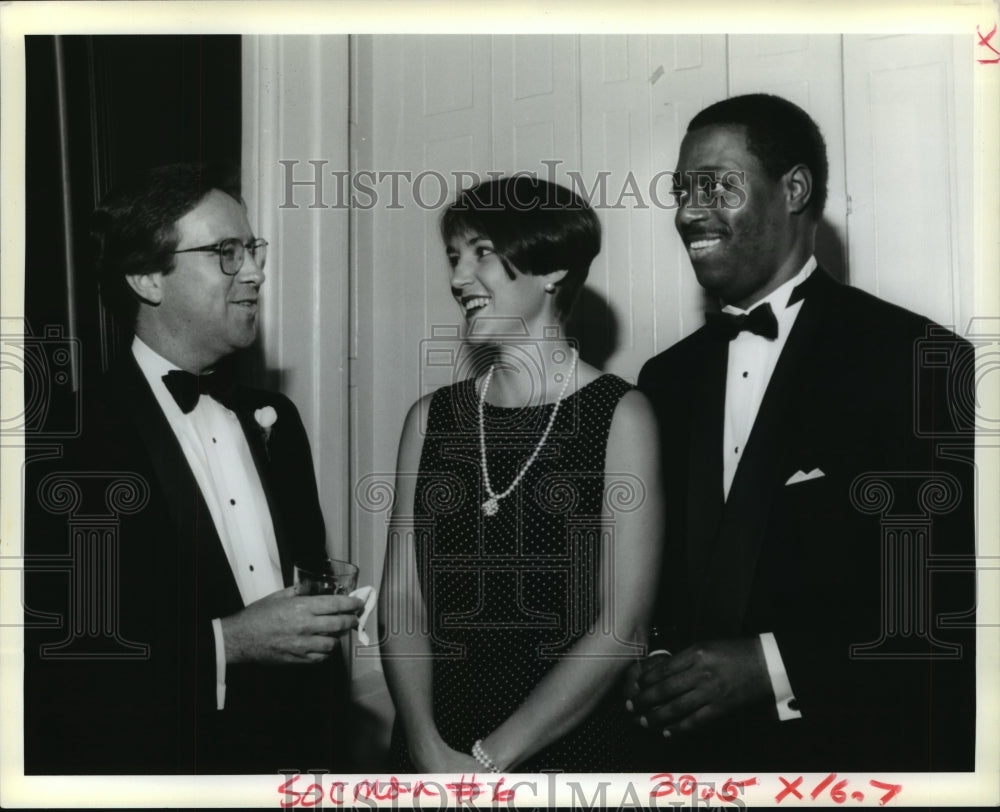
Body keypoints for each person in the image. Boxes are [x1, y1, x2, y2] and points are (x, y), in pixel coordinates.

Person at [629, 93, 976, 772]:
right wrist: (661, 662)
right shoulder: (663, 379)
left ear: (793, 190)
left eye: (716, 186)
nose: (688, 211)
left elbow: (947, 597)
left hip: (850, 756)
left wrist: (774, 666)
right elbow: (664, 575)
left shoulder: (918, 359)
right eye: (681, 190)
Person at [24, 163, 363, 774]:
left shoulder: (276, 419)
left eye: (252, 249)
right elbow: (58, 659)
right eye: (226, 253)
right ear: (147, 277)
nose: (255, 271)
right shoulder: (68, 439)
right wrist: (229, 644)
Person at [378, 176, 664, 772]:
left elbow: (623, 626)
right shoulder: (431, 419)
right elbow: (402, 602)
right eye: (455, 257)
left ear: (552, 267)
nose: (458, 279)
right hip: (432, 752)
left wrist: (488, 761)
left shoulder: (622, 416)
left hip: (566, 753)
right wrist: (427, 747)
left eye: (482, 253)